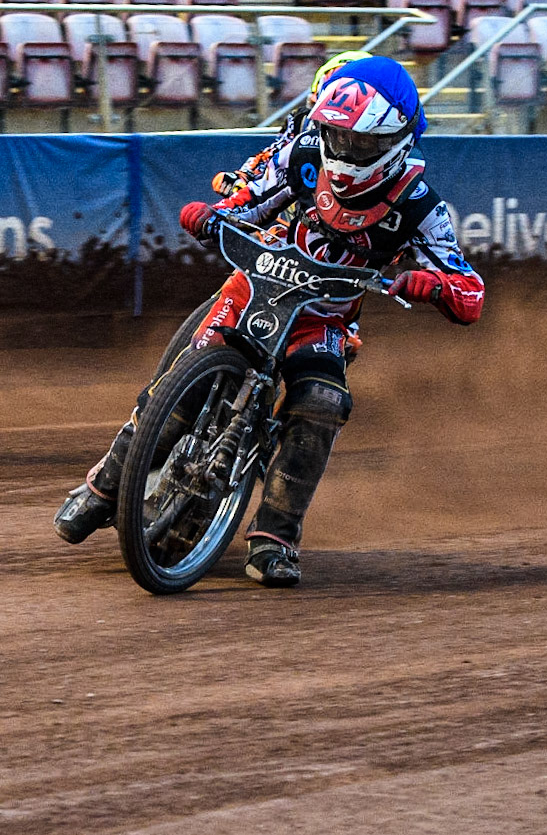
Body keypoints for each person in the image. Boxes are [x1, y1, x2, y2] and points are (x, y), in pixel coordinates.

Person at [53, 57, 486, 588]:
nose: (342, 151)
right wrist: (213, 216)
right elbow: (248, 199)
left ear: (395, 141)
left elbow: (470, 292)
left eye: (359, 143)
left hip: (322, 318)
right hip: (255, 287)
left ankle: (274, 537)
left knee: (321, 402)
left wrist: (434, 286)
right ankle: (104, 486)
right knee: (181, 386)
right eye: (336, 136)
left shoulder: (422, 209)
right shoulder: (303, 151)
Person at [212, 50, 372, 200]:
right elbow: (274, 156)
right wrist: (243, 176)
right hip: (312, 210)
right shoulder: (301, 122)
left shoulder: (386, 134)